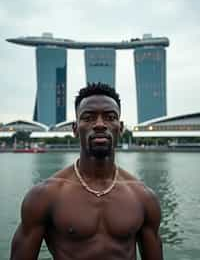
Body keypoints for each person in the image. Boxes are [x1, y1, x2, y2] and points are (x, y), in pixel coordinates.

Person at [10, 83, 163, 260]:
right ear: (75, 129)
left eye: (109, 117)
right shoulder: (45, 196)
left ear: (120, 128)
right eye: (88, 117)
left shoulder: (143, 197)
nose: (99, 124)